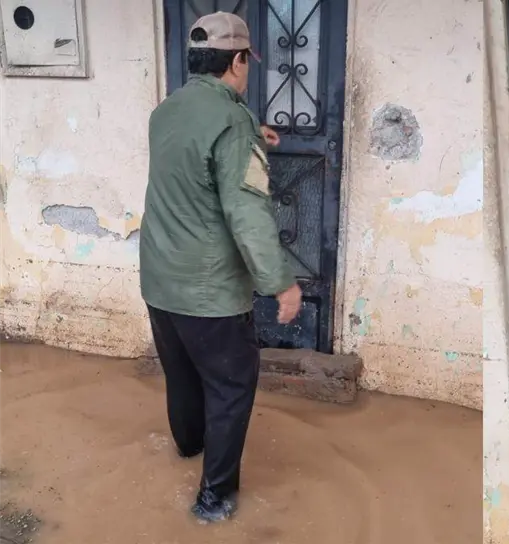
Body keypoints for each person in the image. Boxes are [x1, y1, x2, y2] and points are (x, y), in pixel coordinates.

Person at [139, 11, 302, 522]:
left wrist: (252, 132)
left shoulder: (166, 111)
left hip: (159, 280)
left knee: (182, 374)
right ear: (236, 60)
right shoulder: (231, 123)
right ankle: (213, 502)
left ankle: (187, 447)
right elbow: (247, 211)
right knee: (231, 386)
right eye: (246, 62)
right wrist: (281, 283)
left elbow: (197, 155)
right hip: (208, 292)